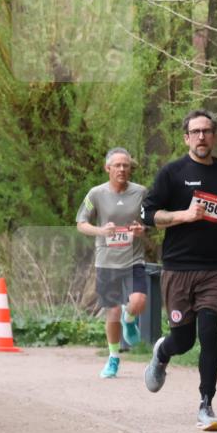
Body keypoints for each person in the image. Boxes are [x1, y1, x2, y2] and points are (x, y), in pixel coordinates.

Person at [141, 109, 217, 431]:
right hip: (179, 267)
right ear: (186, 137)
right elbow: (148, 215)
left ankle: (206, 405)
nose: (202, 137)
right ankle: (163, 351)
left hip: (214, 268)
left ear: (214, 136)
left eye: (207, 131)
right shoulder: (171, 173)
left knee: (210, 333)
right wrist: (182, 216)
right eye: (195, 132)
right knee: (183, 341)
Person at [75, 147, 148, 378]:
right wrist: (101, 230)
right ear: (108, 168)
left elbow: (151, 220)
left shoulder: (141, 192)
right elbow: (81, 223)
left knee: (137, 303)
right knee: (112, 312)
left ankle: (130, 319)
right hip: (106, 260)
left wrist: (142, 229)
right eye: (117, 165)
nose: (122, 169)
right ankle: (113, 358)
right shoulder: (96, 194)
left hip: (134, 258)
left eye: (126, 165)